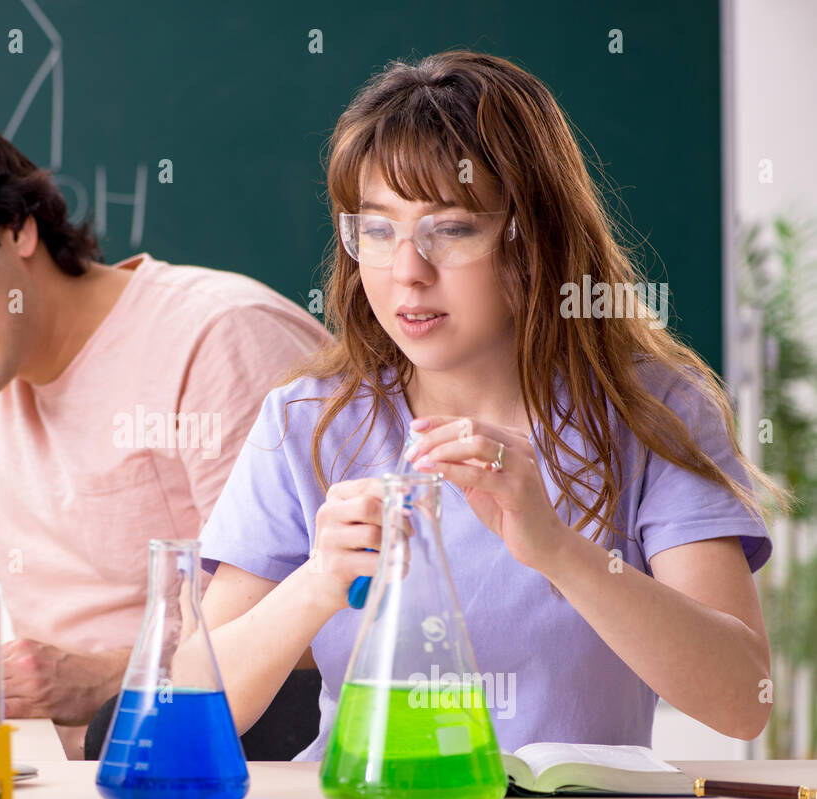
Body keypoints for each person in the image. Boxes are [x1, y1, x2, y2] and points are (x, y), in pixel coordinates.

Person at [190, 51, 791, 760]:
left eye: (451, 228)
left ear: (533, 238)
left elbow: (742, 701)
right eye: (378, 231)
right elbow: (188, 703)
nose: (407, 271)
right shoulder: (306, 420)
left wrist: (559, 551)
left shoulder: (652, 408)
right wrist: (317, 583)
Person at [0, 114, 328, 758]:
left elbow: (333, 616)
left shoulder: (218, 338)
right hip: (59, 786)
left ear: (17, 227)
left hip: (216, 774)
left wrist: (107, 678)